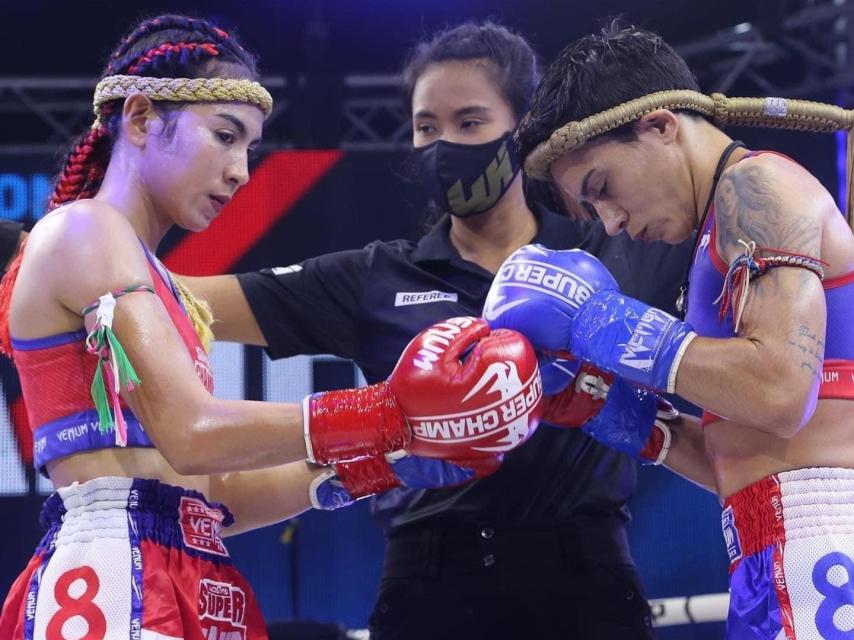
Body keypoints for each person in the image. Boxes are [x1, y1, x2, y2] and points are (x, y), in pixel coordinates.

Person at [0, 15, 543, 640]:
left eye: (249, 148)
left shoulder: (161, 282)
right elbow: (193, 432)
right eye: (225, 136)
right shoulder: (84, 230)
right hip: (112, 571)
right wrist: (389, 411)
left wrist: (385, 458)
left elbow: (209, 493)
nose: (240, 170)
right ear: (144, 118)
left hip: (189, 564)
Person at [168, 22, 695, 639]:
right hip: (428, 584)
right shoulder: (375, 275)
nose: (444, 144)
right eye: (427, 127)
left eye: (469, 122)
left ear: (522, 128)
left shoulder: (611, 248)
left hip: (587, 580)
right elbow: (175, 300)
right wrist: (73, 246)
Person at [488, 22, 854, 639]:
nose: (613, 221)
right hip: (771, 541)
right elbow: (751, 450)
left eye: (602, 189)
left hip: (820, 541)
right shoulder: (718, 226)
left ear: (659, 126)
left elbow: (779, 393)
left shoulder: (755, 187)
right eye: (591, 209)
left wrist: (600, 324)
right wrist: (617, 412)